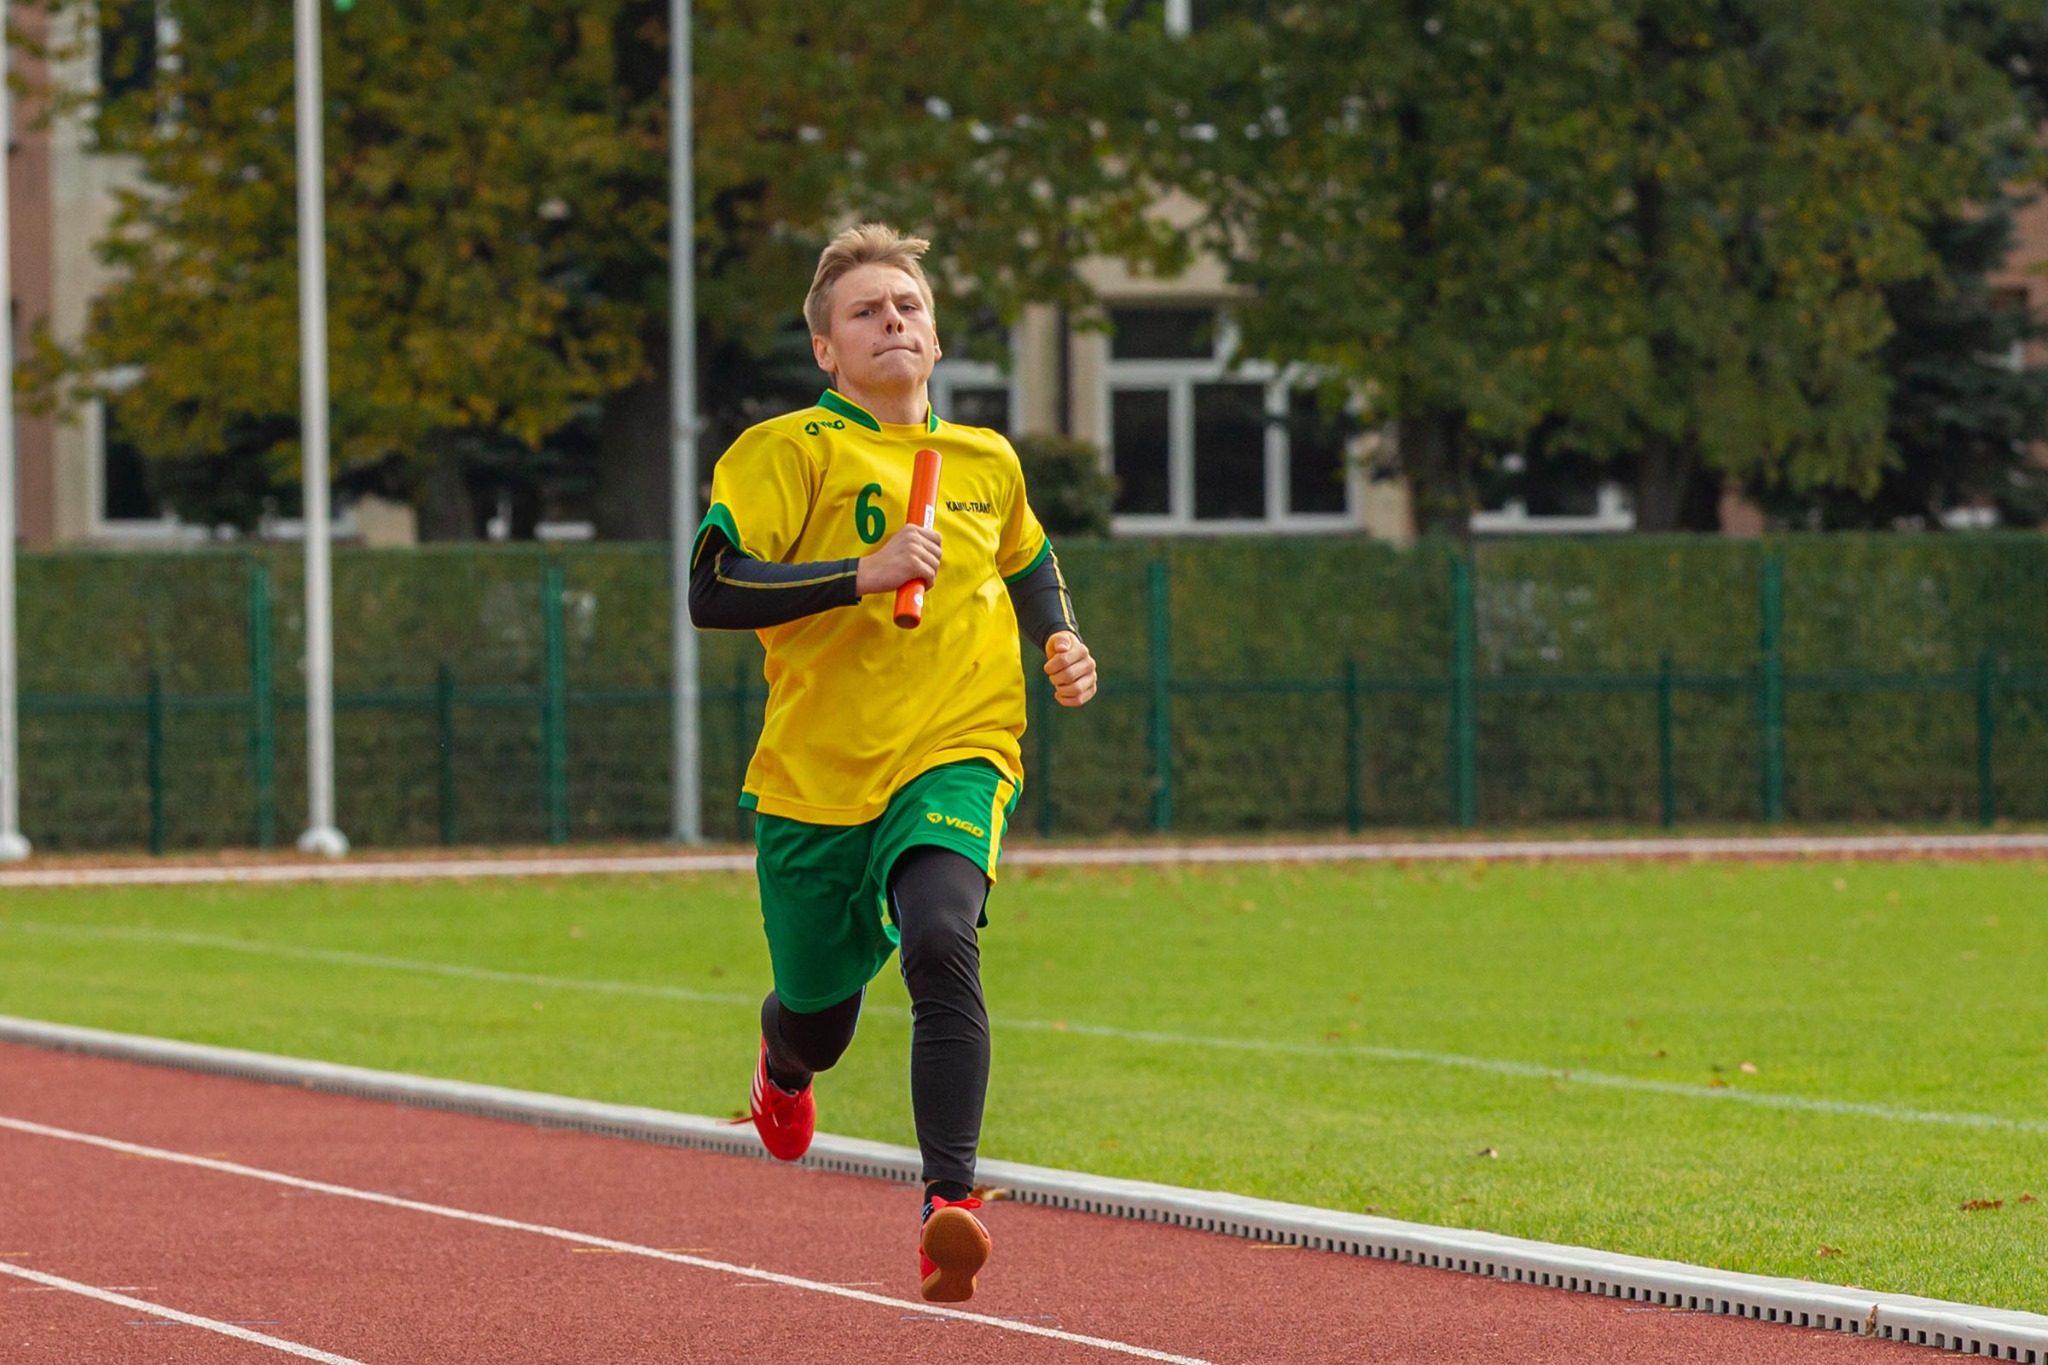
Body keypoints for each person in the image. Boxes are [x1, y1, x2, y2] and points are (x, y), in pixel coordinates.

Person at [687, 223, 1098, 1303]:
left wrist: (1058, 635)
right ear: (826, 349)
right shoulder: (787, 451)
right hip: (817, 780)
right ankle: (782, 1062)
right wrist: (859, 573)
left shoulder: (985, 460)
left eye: (908, 306)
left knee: (940, 935)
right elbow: (711, 588)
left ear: (937, 336)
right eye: (866, 311)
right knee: (819, 1018)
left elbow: (1028, 556)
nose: (893, 322)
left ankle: (947, 1208)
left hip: (959, 746)